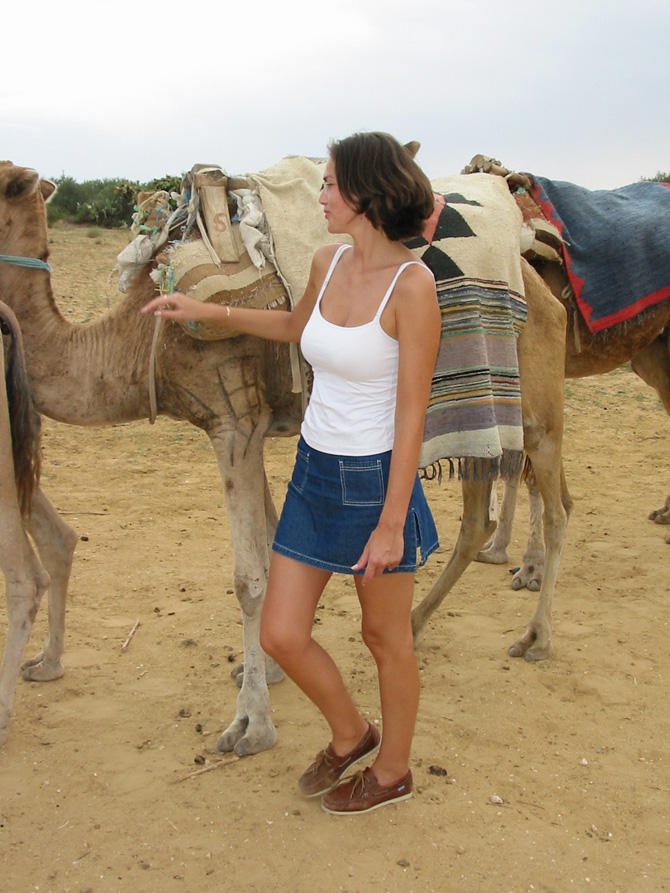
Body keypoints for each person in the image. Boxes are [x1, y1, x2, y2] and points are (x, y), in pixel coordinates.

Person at [142, 132, 441, 814]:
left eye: (330, 184)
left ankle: (393, 771)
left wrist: (392, 523)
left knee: (384, 637)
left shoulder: (413, 287)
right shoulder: (328, 261)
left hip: (376, 481)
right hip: (313, 471)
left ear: (366, 192)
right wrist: (208, 311)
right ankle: (352, 732)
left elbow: (412, 414)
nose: (321, 195)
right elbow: (294, 328)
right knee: (280, 632)